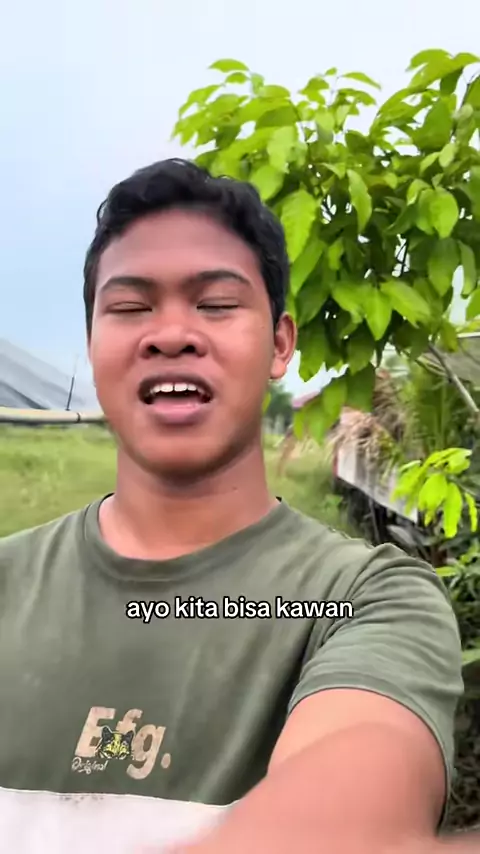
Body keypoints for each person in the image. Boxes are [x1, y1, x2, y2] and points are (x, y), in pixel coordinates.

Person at [0, 158, 473, 854]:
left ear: (280, 344)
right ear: (93, 344)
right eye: (129, 308)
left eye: (217, 304)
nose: (171, 334)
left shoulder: (367, 600)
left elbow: (363, 781)